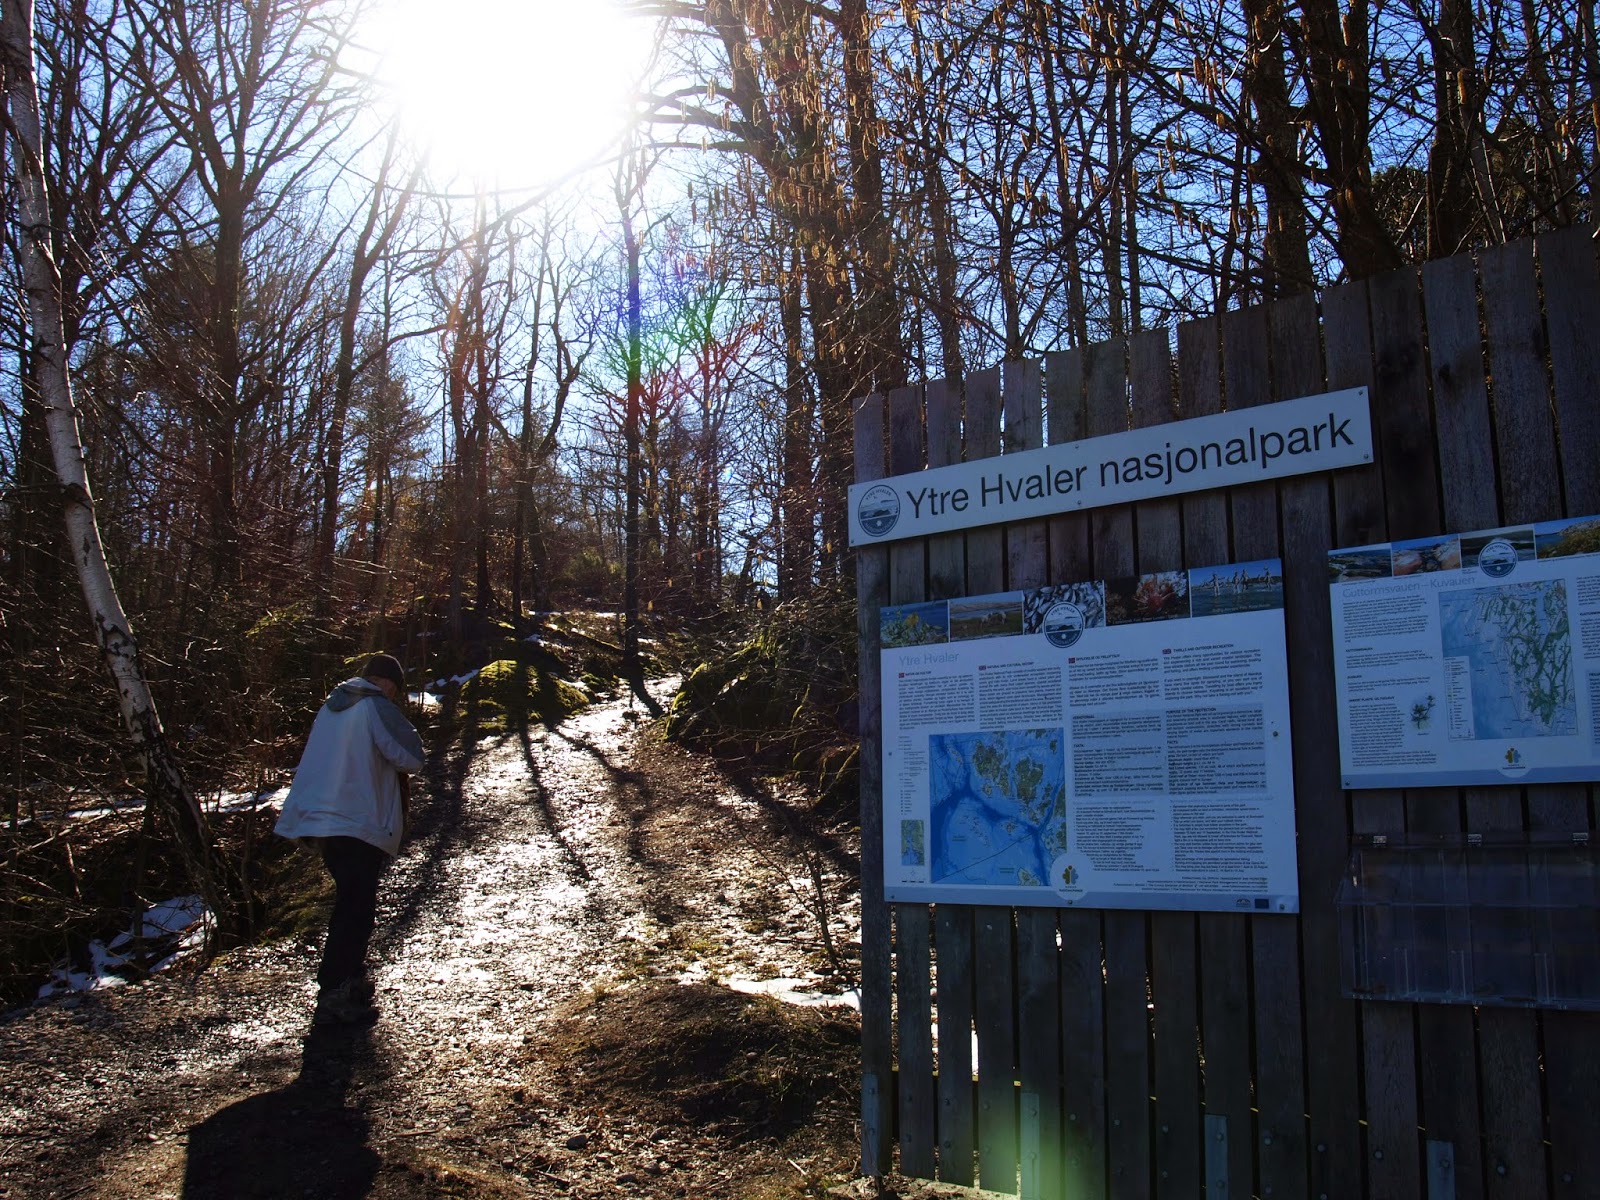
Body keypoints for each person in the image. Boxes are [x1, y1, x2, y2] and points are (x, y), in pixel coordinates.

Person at [275, 653, 423, 1026]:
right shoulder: (374, 705)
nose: (393, 696)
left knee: (350, 900)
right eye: (395, 689)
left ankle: (351, 977)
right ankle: (335, 989)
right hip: (354, 819)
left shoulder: (331, 708)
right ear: (387, 683)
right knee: (355, 908)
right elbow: (410, 757)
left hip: (320, 820)